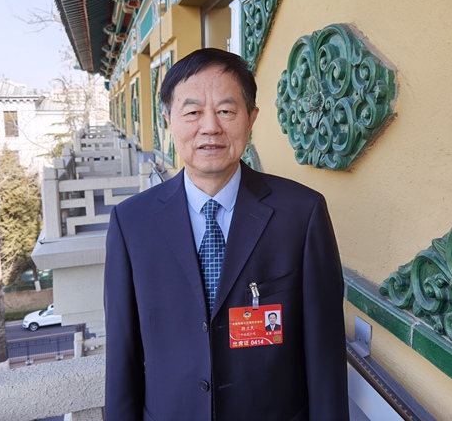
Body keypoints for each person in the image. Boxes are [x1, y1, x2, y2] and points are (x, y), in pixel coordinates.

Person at [104, 48, 348, 421]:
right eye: (192, 113)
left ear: (251, 119)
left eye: (225, 111)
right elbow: (122, 354)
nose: (210, 128)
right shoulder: (131, 223)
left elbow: (325, 352)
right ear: (169, 121)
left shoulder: (302, 213)